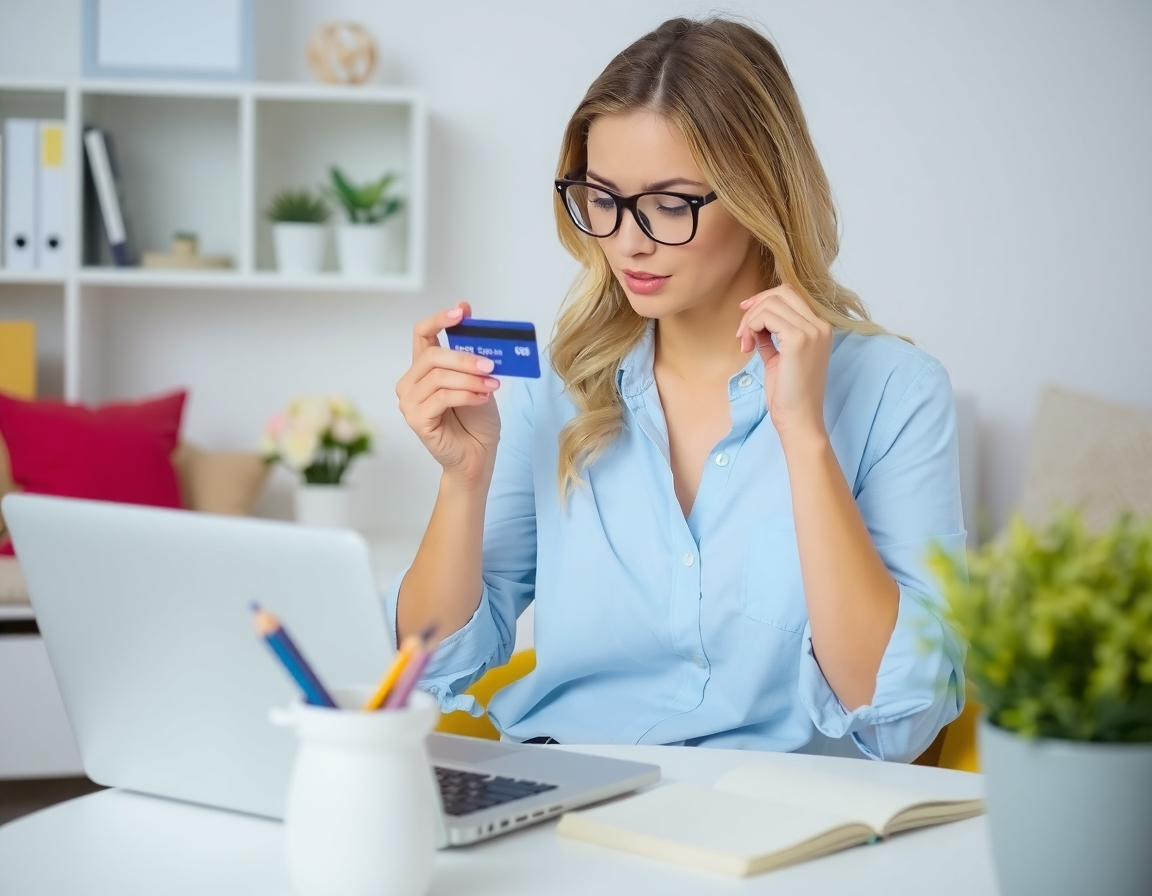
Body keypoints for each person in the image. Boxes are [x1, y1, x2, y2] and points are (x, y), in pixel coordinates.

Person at [388, 16, 965, 762]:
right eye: (601, 197)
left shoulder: (898, 393)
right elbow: (427, 672)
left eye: (670, 204)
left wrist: (804, 438)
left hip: (781, 828)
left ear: (761, 194)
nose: (627, 240)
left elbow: (895, 718)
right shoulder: (553, 391)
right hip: (572, 799)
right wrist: (461, 481)